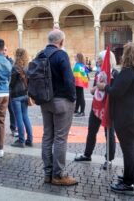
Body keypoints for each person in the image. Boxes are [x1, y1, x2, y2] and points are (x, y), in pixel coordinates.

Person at [97, 42, 134, 195]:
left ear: (128, 55)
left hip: (127, 116)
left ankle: (128, 183)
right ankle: (133, 176)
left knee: (129, 150)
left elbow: (116, 92)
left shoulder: (127, 72)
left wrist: (104, 87)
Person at [40, 28, 78, 186]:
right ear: (61, 42)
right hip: (62, 101)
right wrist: (73, 98)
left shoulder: (40, 54)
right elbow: (69, 80)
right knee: (60, 138)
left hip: (45, 101)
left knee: (47, 136)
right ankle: (58, 175)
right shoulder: (61, 55)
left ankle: (48, 174)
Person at [74, 50, 118, 170]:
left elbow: (116, 92)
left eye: (99, 58)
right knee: (91, 131)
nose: (97, 61)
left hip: (108, 108)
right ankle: (87, 154)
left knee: (109, 134)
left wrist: (105, 88)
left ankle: (109, 159)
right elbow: (96, 89)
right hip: (96, 107)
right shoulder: (99, 73)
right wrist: (94, 89)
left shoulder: (115, 73)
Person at [9, 48, 33, 148]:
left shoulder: (15, 68)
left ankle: (21, 140)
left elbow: (12, 83)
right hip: (25, 94)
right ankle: (30, 139)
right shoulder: (27, 67)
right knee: (25, 116)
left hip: (16, 95)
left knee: (18, 117)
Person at [73, 53, 89, 117]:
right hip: (79, 83)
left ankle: (82, 111)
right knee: (78, 97)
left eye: (75, 56)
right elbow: (86, 71)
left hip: (79, 83)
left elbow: (83, 73)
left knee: (81, 97)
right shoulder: (81, 65)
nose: (74, 57)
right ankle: (76, 109)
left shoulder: (79, 65)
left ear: (78, 58)